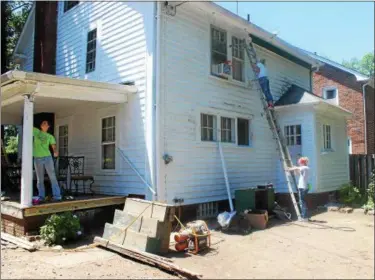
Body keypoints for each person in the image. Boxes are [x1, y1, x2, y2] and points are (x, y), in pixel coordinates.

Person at [33, 120, 61, 202]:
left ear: (48, 126)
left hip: (47, 158)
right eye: (43, 123)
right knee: (39, 178)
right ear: (41, 125)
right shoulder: (36, 132)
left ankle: (57, 196)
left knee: (52, 176)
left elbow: (53, 146)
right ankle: (41, 197)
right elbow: (28, 124)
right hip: (37, 158)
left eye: (45, 123)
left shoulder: (50, 136)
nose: (44, 123)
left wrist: (55, 151)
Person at [287, 157, 310, 221]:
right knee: (302, 202)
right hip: (303, 186)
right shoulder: (303, 169)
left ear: (302, 162)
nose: (299, 163)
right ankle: (305, 216)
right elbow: (297, 173)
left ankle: (305, 217)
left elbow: (298, 168)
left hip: (303, 187)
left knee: (302, 202)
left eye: (299, 162)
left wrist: (289, 169)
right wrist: (294, 169)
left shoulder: (305, 167)